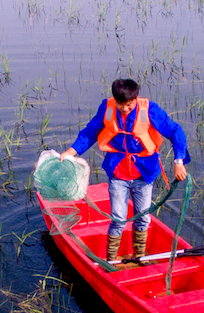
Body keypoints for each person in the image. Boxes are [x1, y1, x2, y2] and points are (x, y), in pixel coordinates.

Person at [60, 78, 190, 265]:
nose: (125, 109)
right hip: (118, 173)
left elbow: (175, 131)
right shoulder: (107, 108)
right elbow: (90, 133)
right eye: (121, 105)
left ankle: (140, 258)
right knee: (118, 219)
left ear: (136, 98)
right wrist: (71, 152)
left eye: (129, 105)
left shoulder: (149, 110)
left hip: (144, 174)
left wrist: (179, 160)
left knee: (143, 218)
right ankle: (111, 261)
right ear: (115, 100)